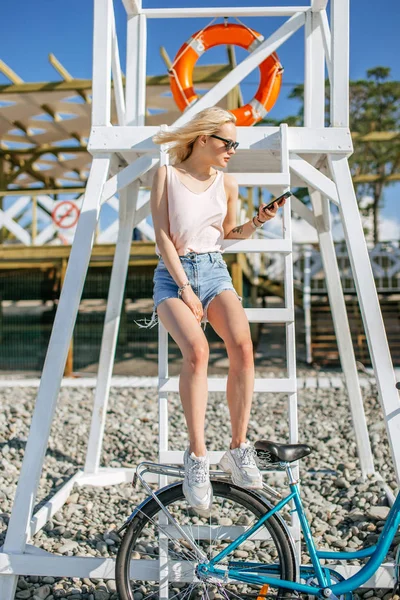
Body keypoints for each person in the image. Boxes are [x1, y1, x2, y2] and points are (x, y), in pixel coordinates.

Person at [134, 106, 286, 512]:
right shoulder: (166, 174)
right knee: (198, 352)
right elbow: (163, 236)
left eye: (235, 143)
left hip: (215, 271)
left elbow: (226, 234)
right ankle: (197, 456)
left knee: (243, 348)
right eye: (227, 142)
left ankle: (237, 448)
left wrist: (257, 221)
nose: (232, 149)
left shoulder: (227, 183)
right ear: (203, 139)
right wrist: (184, 288)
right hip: (173, 276)